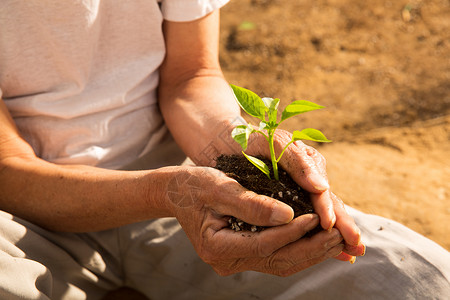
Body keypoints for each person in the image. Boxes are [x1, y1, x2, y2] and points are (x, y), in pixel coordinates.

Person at [0, 1, 448, 299]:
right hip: (27, 221)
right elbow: (9, 167)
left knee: (418, 278)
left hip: (187, 183)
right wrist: (163, 193)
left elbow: (189, 76)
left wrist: (233, 144)